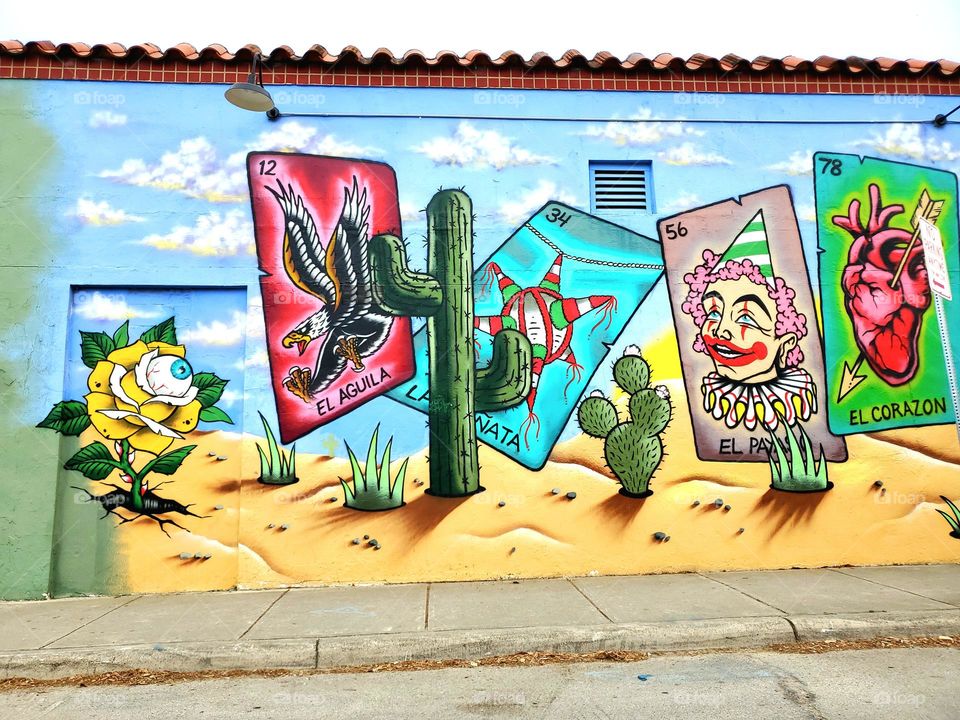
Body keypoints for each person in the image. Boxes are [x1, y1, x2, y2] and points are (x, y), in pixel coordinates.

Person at [680, 210, 815, 432]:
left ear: (786, 341)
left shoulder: (797, 395)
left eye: (745, 318)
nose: (722, 330)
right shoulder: (709, 396)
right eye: (713, 312)